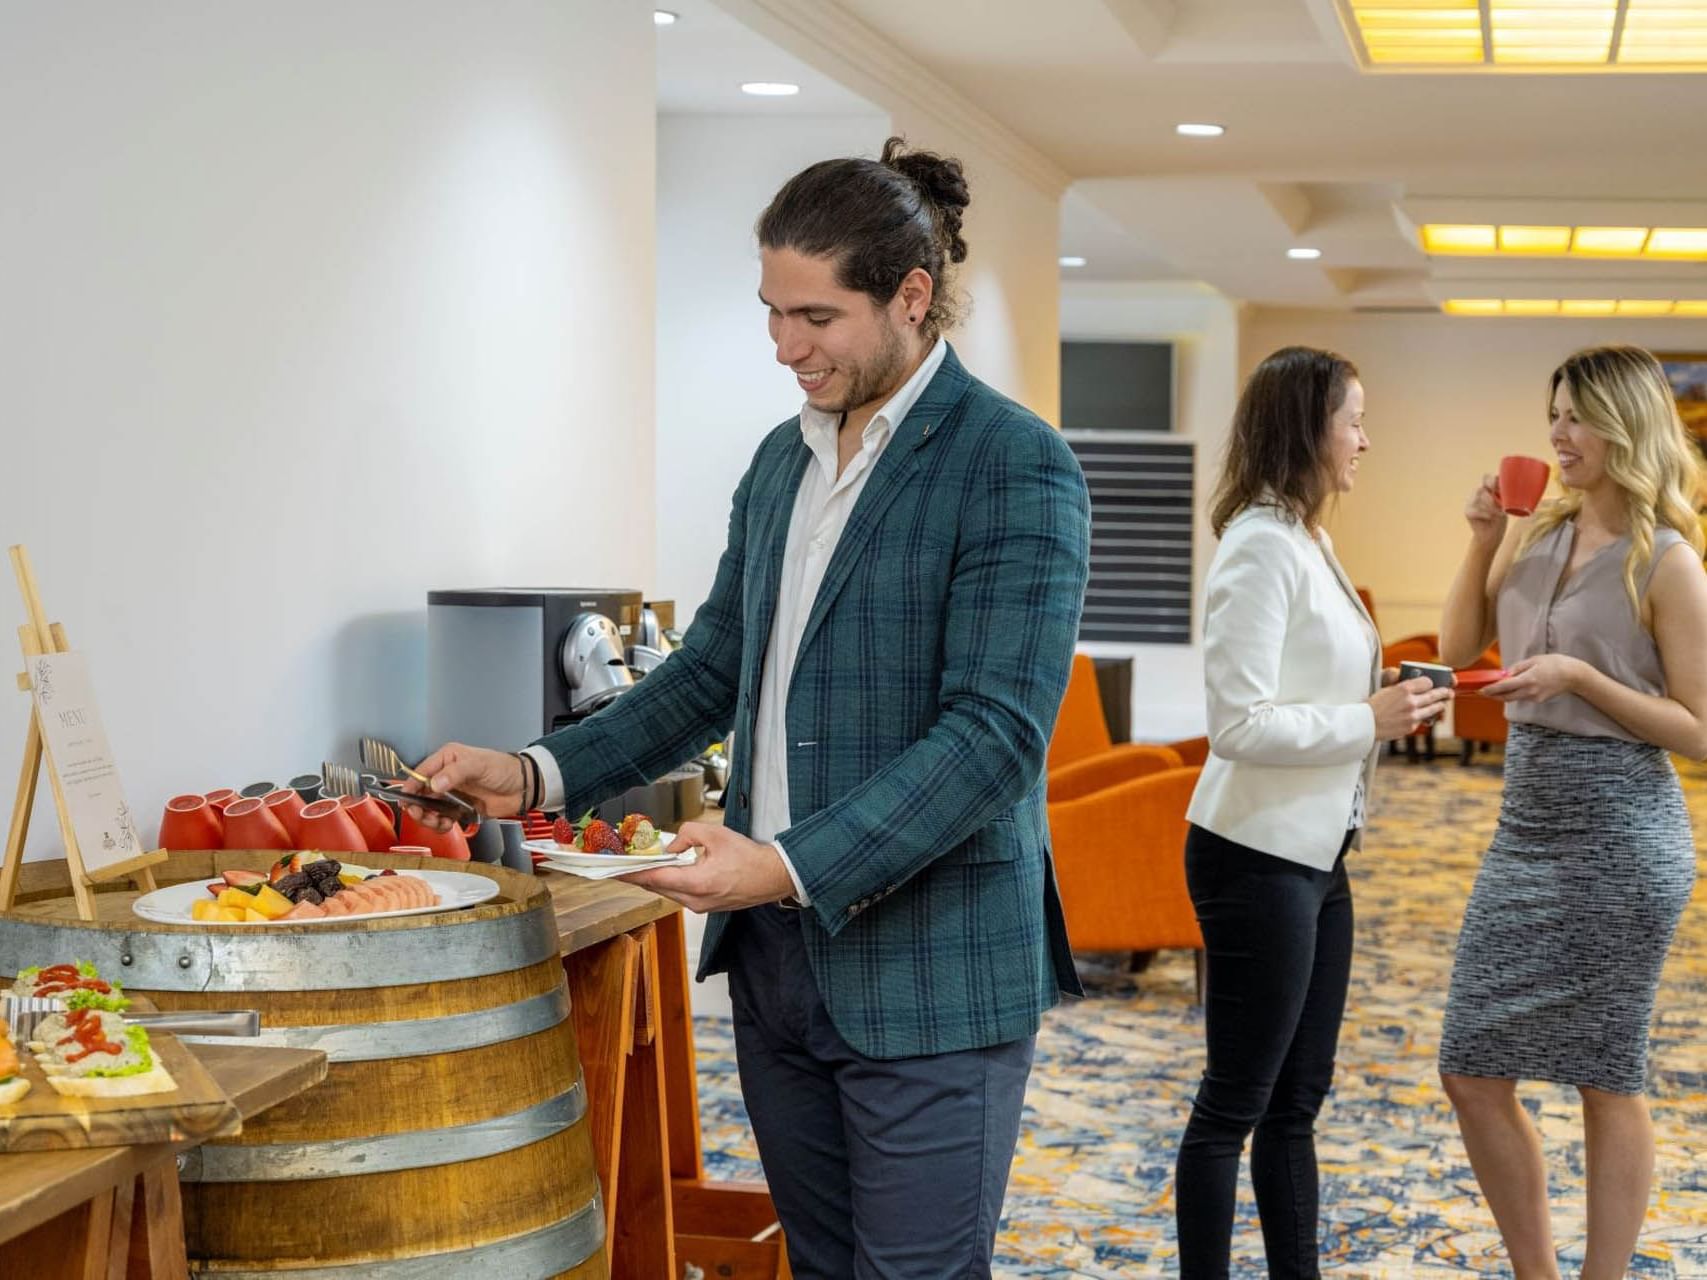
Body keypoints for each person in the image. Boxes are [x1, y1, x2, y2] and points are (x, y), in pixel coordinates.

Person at [407, 137, 1091, 1278]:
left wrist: (782, 864)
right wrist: (534, 773)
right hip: (779, 967)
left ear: (910, 296)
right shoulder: (783, 462)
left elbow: (993, 741)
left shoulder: (1013, 463)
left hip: (931, 966)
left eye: (816, 316)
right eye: (772, 311)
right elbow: (710, 668)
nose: (785, 345)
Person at [1175, 347, 1452, 1278]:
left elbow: (1308, 682)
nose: (1364, 441)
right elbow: (1237, 724)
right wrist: (1368, 718)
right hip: (1253, 854)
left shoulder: (1307, 537)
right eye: (1353, 421)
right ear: (1307, 429)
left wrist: (1388, 698)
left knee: (1296, 1104)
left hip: (1317, 854)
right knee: (1233, 1105)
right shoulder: (1259, 543)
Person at [1437, 344, 1707, 1280]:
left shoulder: (1666, 561)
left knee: (1604, 1069)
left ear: (1624, 427)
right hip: (1525, 825)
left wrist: (1582, 678)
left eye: (1577, 417)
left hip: (1622, 833)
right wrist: (1482, 539)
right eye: (1552, 415)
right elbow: (1459, 645)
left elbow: (1699, 730)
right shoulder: (1538, 529)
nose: (1558, 434)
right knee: (1469, 1066)